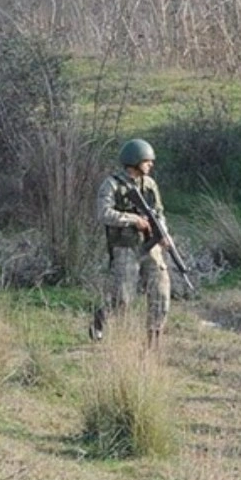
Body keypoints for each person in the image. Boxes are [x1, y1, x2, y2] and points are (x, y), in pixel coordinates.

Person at [93, 138, 173, 349]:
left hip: (151, 246)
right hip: (125, 247)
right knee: (123, 299)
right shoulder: (112, 184)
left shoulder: (150, 185)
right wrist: (133, 220)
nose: (151, 164)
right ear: (135, 161)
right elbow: (103, 213)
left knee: (161, 292)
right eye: (147, 160)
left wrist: (164, 234)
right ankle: (101, 318)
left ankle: (153, 340)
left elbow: (159, 213)